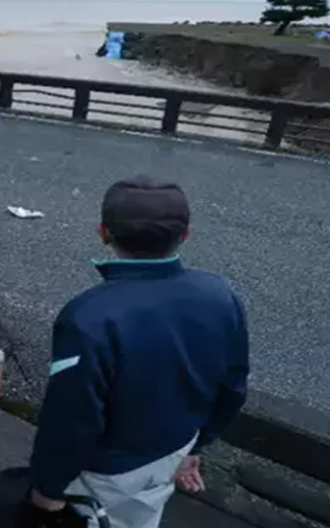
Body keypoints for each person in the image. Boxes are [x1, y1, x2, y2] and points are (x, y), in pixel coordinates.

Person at [25, 176, 250, 528]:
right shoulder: (221, 294)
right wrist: (196, 447)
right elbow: (233, 385)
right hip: (177, 446)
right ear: (186, 234)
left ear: (103, 233)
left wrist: (48, 489)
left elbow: (72, 419)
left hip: (110, 469)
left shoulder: (89, 316)